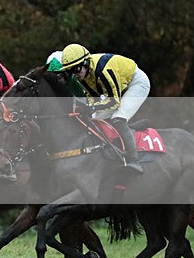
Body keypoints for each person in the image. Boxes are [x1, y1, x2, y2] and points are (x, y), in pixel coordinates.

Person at [51, 43, 150, 173]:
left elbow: (114, 102)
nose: (74, 75)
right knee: (94, 121)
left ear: (86, 63)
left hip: (136, 83)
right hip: (119, 87)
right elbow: (93, 97)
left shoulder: (103, 71)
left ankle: (134, 160)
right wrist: (88, 108)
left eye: (75, 69)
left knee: (118, 119)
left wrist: (91, 108)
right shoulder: (83, 75)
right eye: (70, 71)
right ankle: (120, 139)